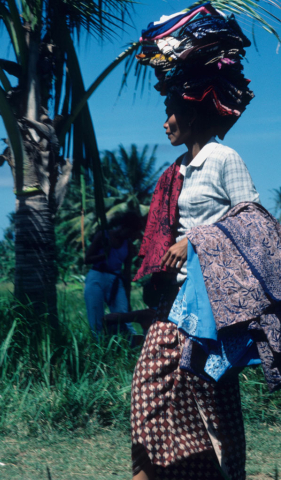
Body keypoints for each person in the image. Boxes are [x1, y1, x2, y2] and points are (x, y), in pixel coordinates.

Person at [130, 5, 261, 480]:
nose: (165, 122)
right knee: (151, 387)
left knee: (215, 397)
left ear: (192, 110)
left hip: (212, 301)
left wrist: (198, 239)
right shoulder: (176, 174)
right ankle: (150, 471)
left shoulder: (225, 158)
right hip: (177, 299)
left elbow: (254, 221)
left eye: (171, 112)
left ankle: (225, 474)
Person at [84, 211, 143, 338]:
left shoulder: (128, 244)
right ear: (123, 227)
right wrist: (104, 254)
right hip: (96, 276)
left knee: (122, 313)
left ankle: (129, 342)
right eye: (131, 232)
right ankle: (98, 344)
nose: (132, 236)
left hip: (115, 279)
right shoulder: (103, 236)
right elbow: (87, 259)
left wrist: (127, 297)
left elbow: (126, 273)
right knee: (95, 314)